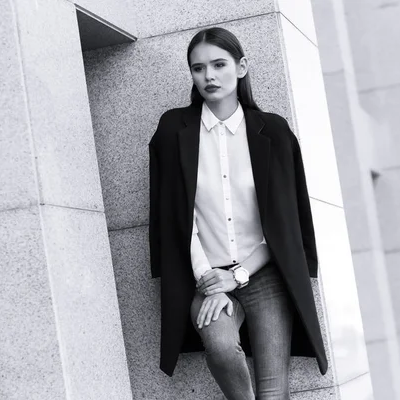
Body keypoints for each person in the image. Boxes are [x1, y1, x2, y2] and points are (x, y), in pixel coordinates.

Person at [148, 26, 327, 400]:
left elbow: (285, 222)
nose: (208, 76)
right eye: (198, 68)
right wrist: (210, 279)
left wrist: (239, 276)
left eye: (218, 64)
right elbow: (174, 219)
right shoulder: (173, 130)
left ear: (241, 67)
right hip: (204, 274)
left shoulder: (273, 132)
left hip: (263, 274)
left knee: (274, 390)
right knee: (221, 347)